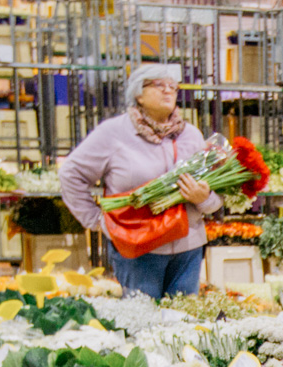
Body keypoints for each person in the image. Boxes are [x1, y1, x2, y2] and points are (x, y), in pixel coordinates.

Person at [60, 63, 221, 299]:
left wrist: (205, 199)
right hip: (138, 247)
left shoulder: (190, 135)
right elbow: (70, 174)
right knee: (142, 325)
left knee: (183, 325)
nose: (168, 91)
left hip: (188, 248)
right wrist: (97, 221)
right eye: (158, 85)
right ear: (138, 94)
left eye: (173, 87)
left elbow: (217, 191)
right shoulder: (114, 132)